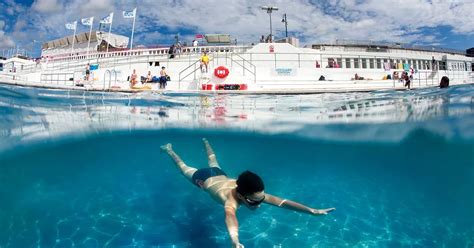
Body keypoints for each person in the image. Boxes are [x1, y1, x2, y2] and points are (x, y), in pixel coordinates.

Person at [161, 139, 335, 248]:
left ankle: (205, 142)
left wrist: (312, 211)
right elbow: (231, 219)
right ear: (242, 196)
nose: (259, 204)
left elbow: (283, 202)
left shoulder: (253, 193)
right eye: (254, 202)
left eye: (261, 200)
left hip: (218, 175)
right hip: (203, 179)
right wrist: (235, 241)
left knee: (213, 160)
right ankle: (169, 150)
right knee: (183, 168)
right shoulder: (230, 201)